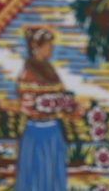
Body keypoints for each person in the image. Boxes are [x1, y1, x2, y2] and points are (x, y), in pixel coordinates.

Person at [15, 26, 75, 191]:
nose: (51, 49)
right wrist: (54, 103)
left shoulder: (50, 70)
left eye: (51, 45)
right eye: (47, 45)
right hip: (36, 132)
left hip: (53, 130)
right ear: (35, 48)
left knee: (54, 174)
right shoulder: (27, 73)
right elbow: (30, 104)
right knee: (37, 174)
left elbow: (60, 97)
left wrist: (67, 104)